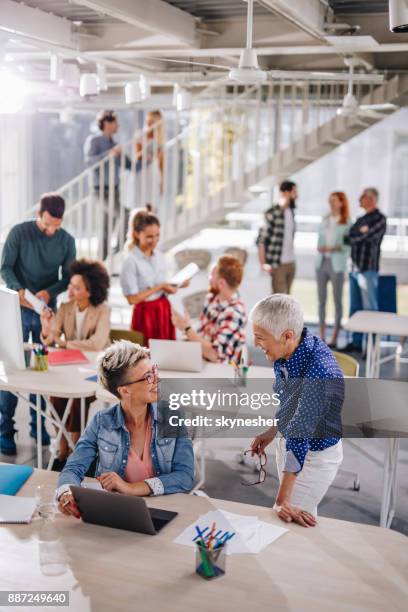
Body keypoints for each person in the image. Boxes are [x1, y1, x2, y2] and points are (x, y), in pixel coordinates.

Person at [56, 341, 194, 517]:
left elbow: (185, 476)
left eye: (155, 371)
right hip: (117, 513)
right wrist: (65, 493)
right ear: (125, 391)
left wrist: (131, 488)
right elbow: (73, 468)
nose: (157, 380)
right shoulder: (101, 422)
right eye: (148, 377)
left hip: (164, 511)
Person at [249, 294, 344, 528]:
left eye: (260, 337)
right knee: (300, 522)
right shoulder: (290, 351)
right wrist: (272, 431)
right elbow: (289, 402)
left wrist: (281, 501)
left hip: (312, 456)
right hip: (292, 444)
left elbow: (300, 434)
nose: (255, 344)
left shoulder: (319, 373)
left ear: (287, 335)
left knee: (282, 524)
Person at [0, 193, 76, 455]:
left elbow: (67, 277)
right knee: (13, 370)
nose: (50, 229)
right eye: (46, 224)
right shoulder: (19, 233)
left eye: (56, 225)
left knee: (42, 371)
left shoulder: (67, 241)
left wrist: (49, 292)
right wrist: (18, 289)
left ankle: (40, 426)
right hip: (17, 310)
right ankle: (5, 430)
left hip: (45, 312)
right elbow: (5, 267)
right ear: (38, 214)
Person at [40, 258, 111, 461]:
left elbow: (97, 343)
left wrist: (65, 344)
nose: (70, 290)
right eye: (70, 285)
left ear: (90, 291)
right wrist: (46, 328)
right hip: (71, 367)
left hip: (95, 369)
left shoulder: (102, 310)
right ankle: (63, 449)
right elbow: (52, 338)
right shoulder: (65, 307)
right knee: (56, 399)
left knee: (77, 399)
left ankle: (75, 448)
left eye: (77, 288)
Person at [120, 209, 181, 346]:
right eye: (149, 236)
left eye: (157, 235)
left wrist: (177, 285)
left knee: (166, 357)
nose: (154, 241)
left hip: (163, 310)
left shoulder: (160, 256)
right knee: (145, 358)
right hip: (145, 314)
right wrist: (160, 287)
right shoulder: (130, 261)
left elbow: (164, 283)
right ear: (136, 234)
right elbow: (132, 299)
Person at [172, 255, 247, 364]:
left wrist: (186, 329)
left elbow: (215, 355)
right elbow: (201, 335)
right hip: (200, 360)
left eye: (211, 275)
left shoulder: (234, 312)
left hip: (218, 372)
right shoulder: (212, 298)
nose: (209, 278)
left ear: (221, 283)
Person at [341, 188, 387, 353]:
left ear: (372, 199)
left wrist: (358, 235)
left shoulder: (380, 219)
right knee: (355, 307)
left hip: (367, 269)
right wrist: (358, 234)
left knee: (370, 309)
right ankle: (357, 342)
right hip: (354, 269)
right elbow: (347, 237)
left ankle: (372, 346)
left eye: (363, 196)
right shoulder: (360, 219)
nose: (359, 198)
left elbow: (367, 237)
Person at [84, 110, 133, 260]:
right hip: (100, 191)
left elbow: (129, 166)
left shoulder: (115, 145)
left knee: (106, 229)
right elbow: (90, 162)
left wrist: (145, 158)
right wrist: (109, 154)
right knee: (125, 214)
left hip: (114, 191)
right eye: (115, 122)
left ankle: (103, 261)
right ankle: (118, 251)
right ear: (106, 123)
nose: (118, 125)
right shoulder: (94, 141)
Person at [316, 192, 352, 348]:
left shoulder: (347, 222)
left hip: (337, 265)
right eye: (329, 201)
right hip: (322, 262)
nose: (331, 203)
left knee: (337, 301)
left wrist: (333, 247)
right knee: (321, 301)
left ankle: (335, 337)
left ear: (341, 203)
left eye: (334, 201)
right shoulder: (325, 219)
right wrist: (323, 248)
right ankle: (322, 335)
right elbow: (319, 243)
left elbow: (347, 246)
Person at [256, 180, 298, 294]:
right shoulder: (271, 213)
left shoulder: (291, 212)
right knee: (279, 302)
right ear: (285, 193)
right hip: (277, 264)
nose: (297, 195)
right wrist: (263, 263)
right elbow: (261, 240)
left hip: (291, 262)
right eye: (294, 192)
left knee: (288, 301)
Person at [127, 110, 164, 211]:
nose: (150, 124)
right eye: (149, 121)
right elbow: (137, 156)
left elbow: (161, 162)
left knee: (152, 203)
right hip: (141, 172)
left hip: (153, 172)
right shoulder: (140, 134)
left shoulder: (160, 137)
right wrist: (147, 151)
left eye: (153, 121)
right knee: (139, 202)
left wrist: (162, 182)